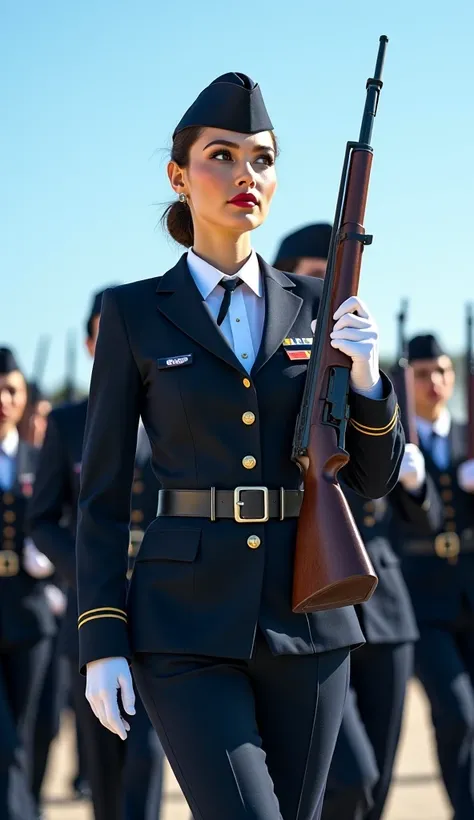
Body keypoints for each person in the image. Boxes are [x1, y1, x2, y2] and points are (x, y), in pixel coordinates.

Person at [76, 72, 405, 820]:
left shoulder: (319, 303)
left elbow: (374, 478)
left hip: (307, 610)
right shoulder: (134, 314)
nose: (245, 176)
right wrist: (100, 637)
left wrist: (369, 382)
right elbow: (99, 496)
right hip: (183, 622)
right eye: (221, 156)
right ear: (178, 175)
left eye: (261, 159)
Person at [278, 223, 441, 819]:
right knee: (344, 780)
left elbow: (420, 514)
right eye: (310, 279)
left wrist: (414, 476)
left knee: (375, 790)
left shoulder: (372, 375)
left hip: (385, 608)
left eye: (333, 280)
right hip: (313, 600)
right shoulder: (275, 375)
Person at [28, 292, 165, 820]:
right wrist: (86, 571)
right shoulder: (66, 424)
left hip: (160, 609)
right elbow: (43, 519)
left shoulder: (171, 412)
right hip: (91, 616)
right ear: (91, 344)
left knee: (149, 758)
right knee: (104, 766)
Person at [395, 333, 474, 820]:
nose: (436, 382)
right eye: (423, 374)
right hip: (423, 603)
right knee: (457, 714)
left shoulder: (468, 434)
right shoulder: (395, 440)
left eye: (443, 371)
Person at [0, 347, 56, 820]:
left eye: (11, 389)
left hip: (30, 614)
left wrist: (51, 561)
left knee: (32, 728)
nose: (3, 398)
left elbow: (67, 521)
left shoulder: (39, 461)